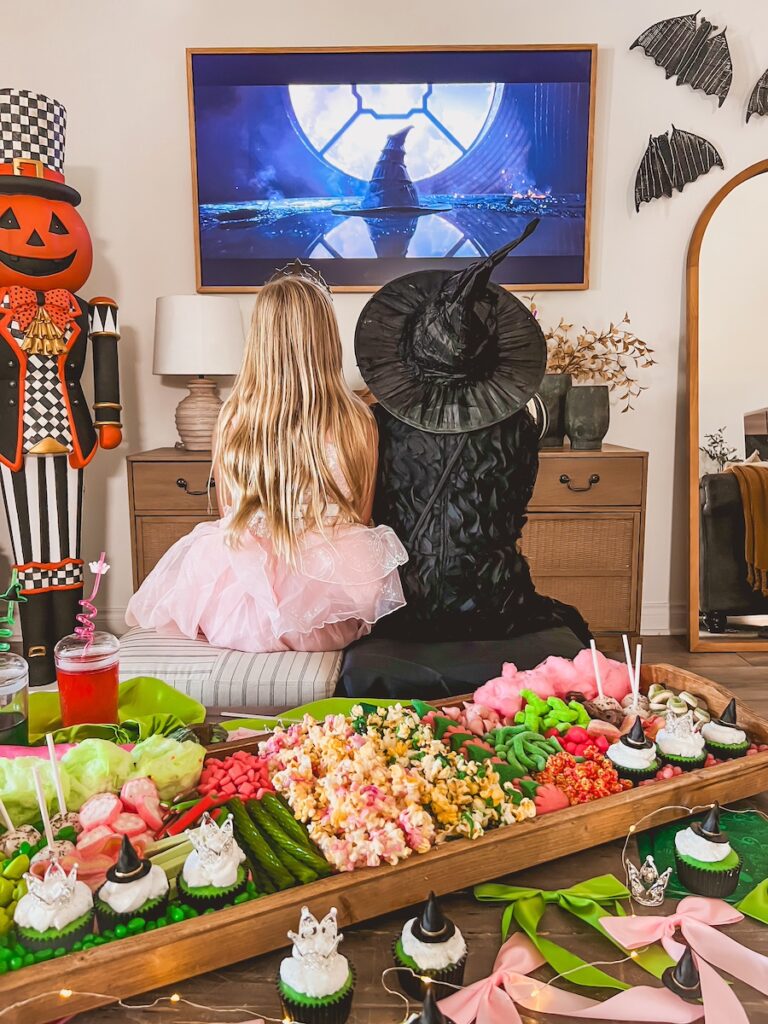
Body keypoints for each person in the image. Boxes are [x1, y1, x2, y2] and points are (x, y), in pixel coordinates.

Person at [340, 221, 590, 698]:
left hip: (401, 608)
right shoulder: (519, 427)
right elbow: (514, 512)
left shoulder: (374, 424)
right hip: (496, 606)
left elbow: (362, 519)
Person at [126, 265, 407, 652]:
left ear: (259, 339)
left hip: (242, 613)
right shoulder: (356, 419)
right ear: (327, 339)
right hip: (324, 614)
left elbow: (229, 514)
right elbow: (360, 516)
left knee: (224, 542)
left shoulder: (233, 418)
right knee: (360, 547)